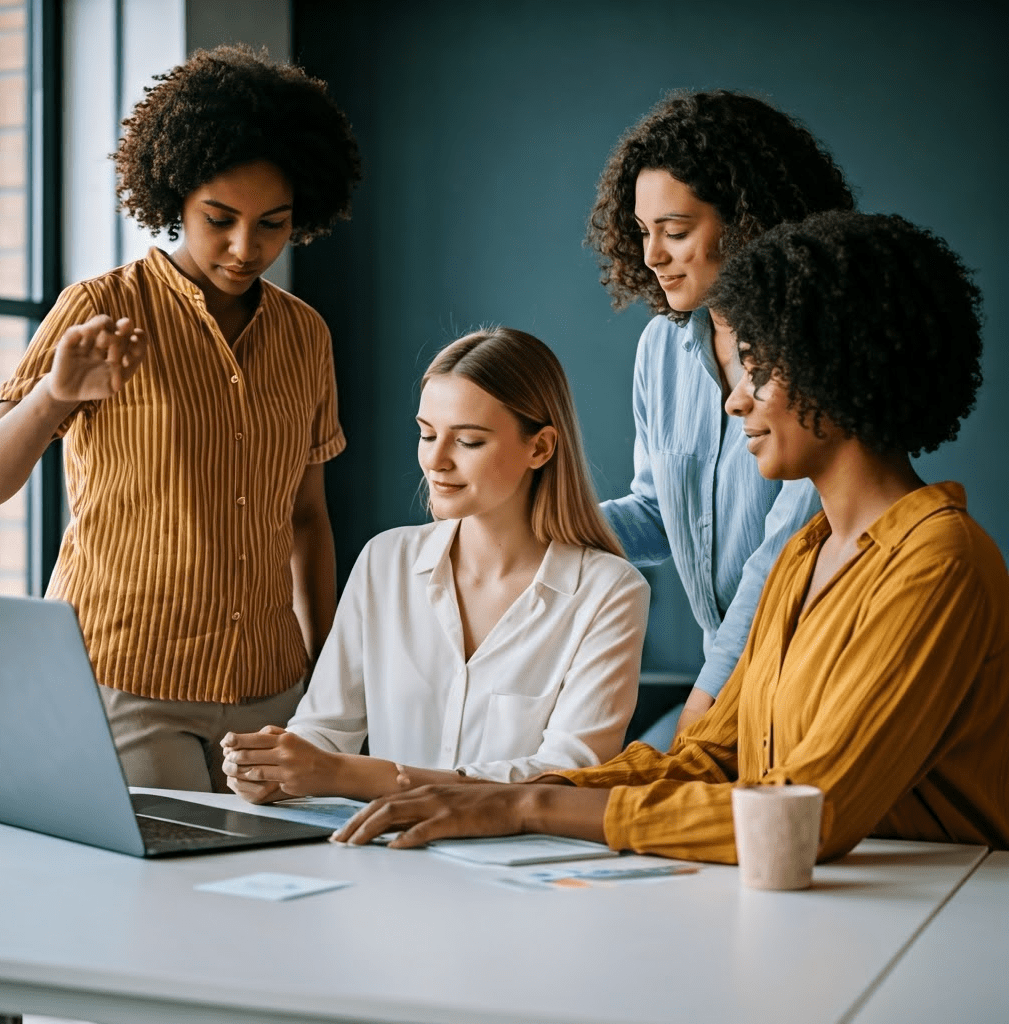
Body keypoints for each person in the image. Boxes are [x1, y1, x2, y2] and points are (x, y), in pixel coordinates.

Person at [331, 211, 1009, 860]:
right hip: (835, 900)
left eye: (759, 369)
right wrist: (497, 793)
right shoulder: (806, 556)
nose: (735, 398)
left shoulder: (936, 563)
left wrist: (524, 809)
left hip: (940, 902)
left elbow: (811, 810)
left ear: (839, 370)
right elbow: (708, 759)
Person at [0, 45, 361, 791]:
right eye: (219, 219)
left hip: (270, 691)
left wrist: (322, 683)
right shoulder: (98, 309)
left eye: (273, 225)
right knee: (154, 898)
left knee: (264, 898)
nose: (244, 248)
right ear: (175, 195)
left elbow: (307, 519)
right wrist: (55, 396)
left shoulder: (304, 335)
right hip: (125, 679)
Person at [220, 327, 650, 803]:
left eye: (468, 441)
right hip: (384, 857)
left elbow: (566, 774)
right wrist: (275, 768)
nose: (436, 461)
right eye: (427, 434)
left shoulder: (610, 591)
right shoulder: (384, 561)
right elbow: (325, 730)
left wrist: (357, 778)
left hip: (517, 863)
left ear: (541, 448)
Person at [590, 90, 855, 743]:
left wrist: (703, 707)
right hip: (723, 680)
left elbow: (783, 555)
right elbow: (656, 514)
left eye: (676, 232)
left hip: (802, 675)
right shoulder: (661, 347)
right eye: (643, 231)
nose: (652, 255)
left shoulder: (817, 352)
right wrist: (540, 526)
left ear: (747, 222)